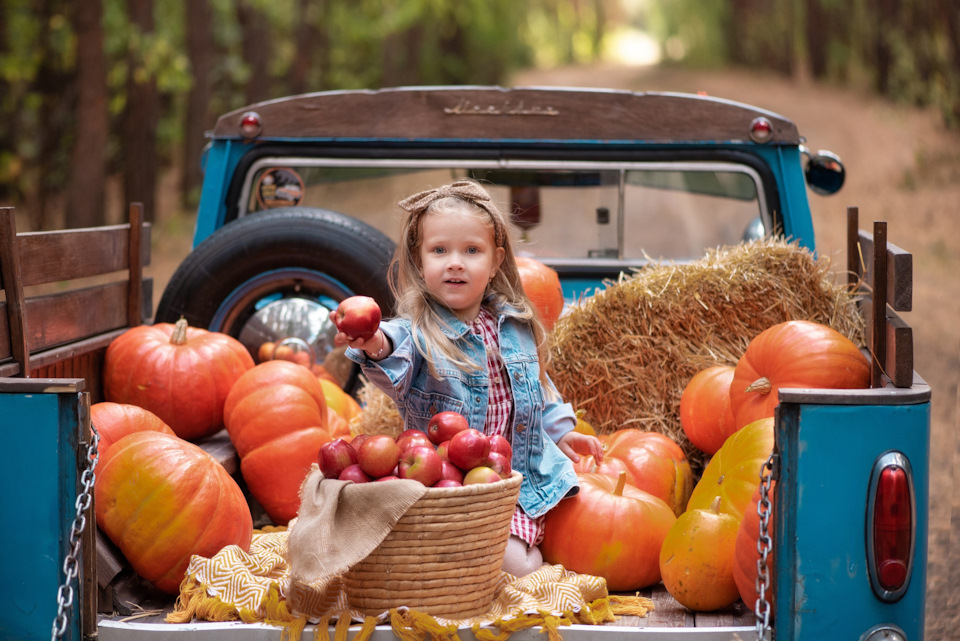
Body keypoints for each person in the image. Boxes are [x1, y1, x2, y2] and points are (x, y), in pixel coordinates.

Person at [336, 179, 603, 577]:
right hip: (452, 488)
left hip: (519, 478)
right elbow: (390, 351)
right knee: (517, 567)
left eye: (471, 251)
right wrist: (371, 339)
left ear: (495, 262)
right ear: (419, 259)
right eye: (439, 250)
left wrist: (562, 431)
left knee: (565, 541)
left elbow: (536, 388)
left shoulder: (513, 324)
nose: (455, 262)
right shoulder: (417, 333)